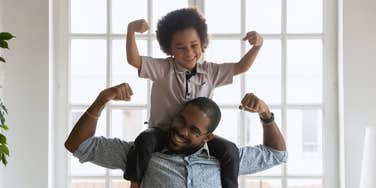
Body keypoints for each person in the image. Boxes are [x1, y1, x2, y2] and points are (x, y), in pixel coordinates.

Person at [125, 8, 263, 188]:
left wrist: (257, 46)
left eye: (194, 45)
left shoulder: (211, 72)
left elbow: (241, 67)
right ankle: (135, 184)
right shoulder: (163, 69)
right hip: (164, 132)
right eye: (180, 47)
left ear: (203, 43)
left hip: (197, 137)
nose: (189, 52)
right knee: (144, 140)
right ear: (169, 49)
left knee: (230, 150)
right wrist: (131, 31)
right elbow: (134, 60)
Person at [64, 83, 287, 188]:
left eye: (194, 130)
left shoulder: (225, 159)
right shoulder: (144, 153)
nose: (182, 131)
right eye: (181, 120)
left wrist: (265, 114)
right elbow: (77, 144)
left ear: (207, 137)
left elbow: (276, 154)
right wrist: (102, 99)